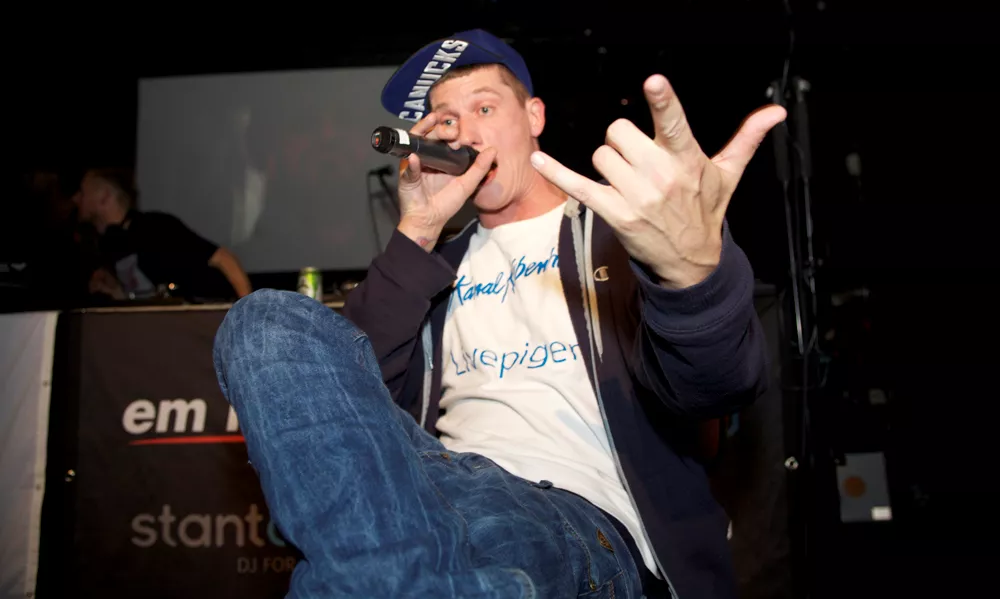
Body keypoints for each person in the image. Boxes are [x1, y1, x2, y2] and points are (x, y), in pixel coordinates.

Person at [213, 30, 786, 598]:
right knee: (265, 321)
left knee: (483, 534)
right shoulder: (429, 268)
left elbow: (716, 387)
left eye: (484, 108)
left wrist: (691, 278)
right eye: (446, 120)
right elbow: (351, 403)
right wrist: (418, 232)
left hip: (572, 512)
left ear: (534, 116)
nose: (464, 133)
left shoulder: (623, 234)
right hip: (430, 487)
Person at [74, 168, 253, 301]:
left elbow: (223, 259)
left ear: (104, 196)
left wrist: (249, 313)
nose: (76, 199)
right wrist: (114, 293)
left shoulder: (155, 227)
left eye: (82, 192)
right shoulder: (111, 245)